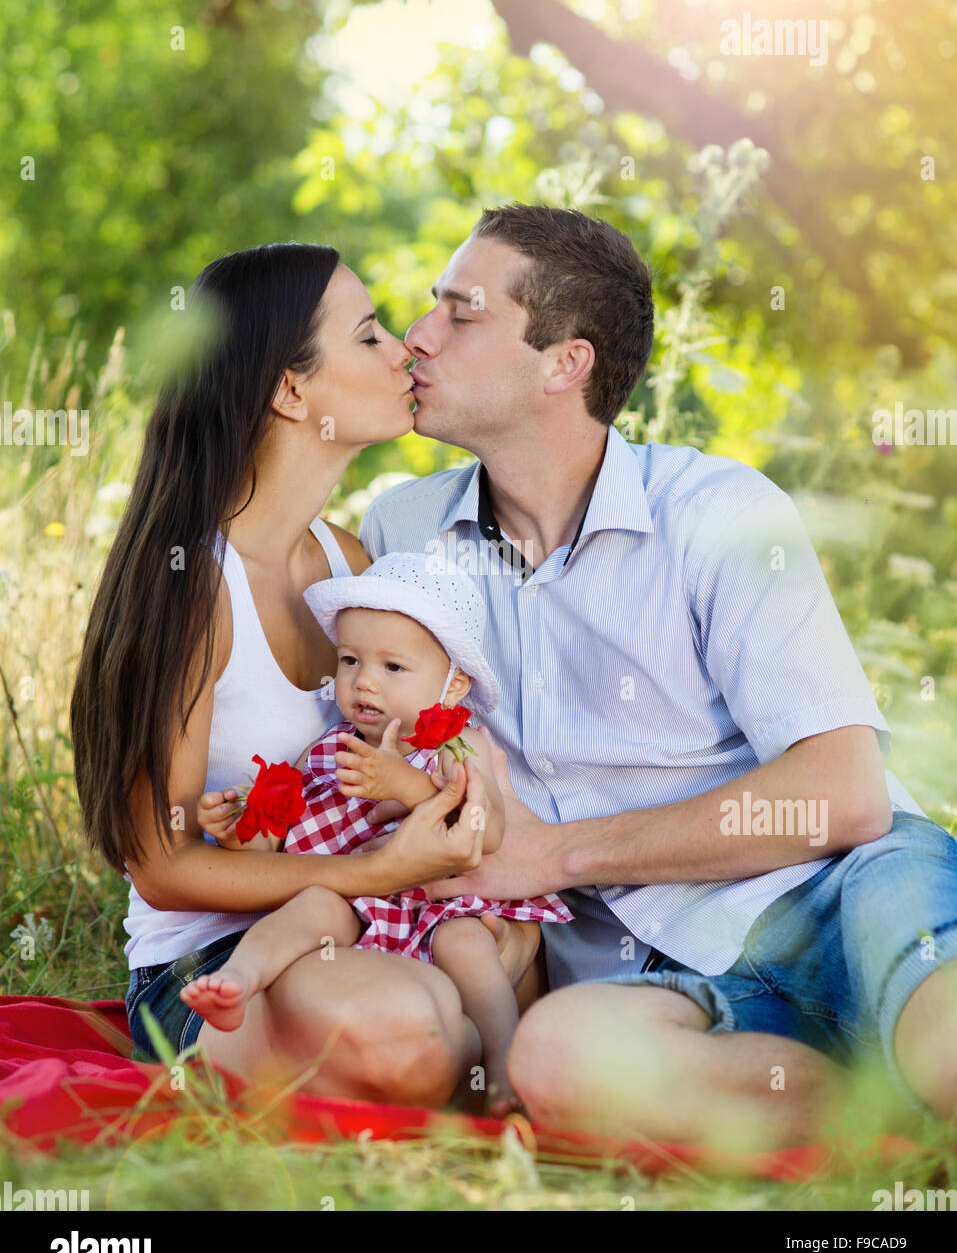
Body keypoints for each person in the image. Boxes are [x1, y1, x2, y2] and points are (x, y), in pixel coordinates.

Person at [358, 202, 957, 1147]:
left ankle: (915, 1073)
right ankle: (880, 1115)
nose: (415, 340)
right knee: (552, 1062)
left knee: (946, 1050)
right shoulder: (400, 533)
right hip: (658, 974)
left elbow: (840, 798)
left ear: (566, 362)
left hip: (839, 891)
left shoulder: (718, 511)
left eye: (460, 313)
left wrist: (553, 856)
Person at [70, 242, 498, 1106]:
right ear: (291, 390)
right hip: (210, 958)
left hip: (357, 930)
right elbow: (160, 865)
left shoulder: (350, 562)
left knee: (463, 1003)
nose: (404, 351)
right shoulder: (192, 580)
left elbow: (402, 754)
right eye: (371, 336)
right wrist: (377, 874)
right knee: (412, 1033)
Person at [183, 552, 571, 1114]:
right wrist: (242, 829)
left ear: (454, 684)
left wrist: (403, 785)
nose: (363, 681)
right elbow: (283, 845)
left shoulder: (460, 745)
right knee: (312, 904)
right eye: (349, 660)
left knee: (468, 945)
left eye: (393, 667)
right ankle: (238, 982)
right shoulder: (328, 750)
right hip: (355, 902)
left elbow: (484, 833)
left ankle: (505, 1068)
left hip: (440, 908)